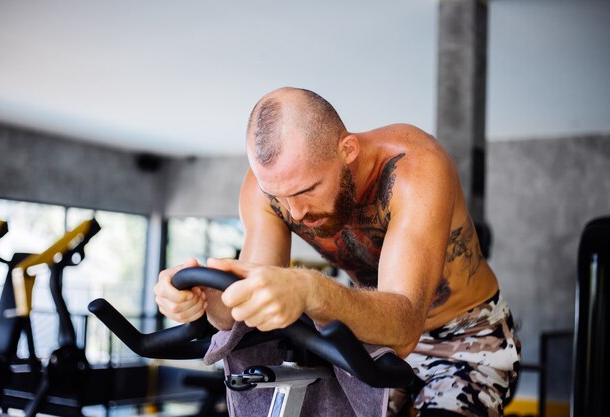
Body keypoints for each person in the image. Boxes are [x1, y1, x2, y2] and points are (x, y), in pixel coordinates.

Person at [154, 87, 521, 417]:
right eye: (279, 196)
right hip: (366, 340)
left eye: (306, 190)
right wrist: (205, 300)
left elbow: (406, 325)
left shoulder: (415, 168)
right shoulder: (265, 189)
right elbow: (250, 314)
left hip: (463, 334)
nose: (294, 212)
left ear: (347, 150)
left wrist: (309, 289)